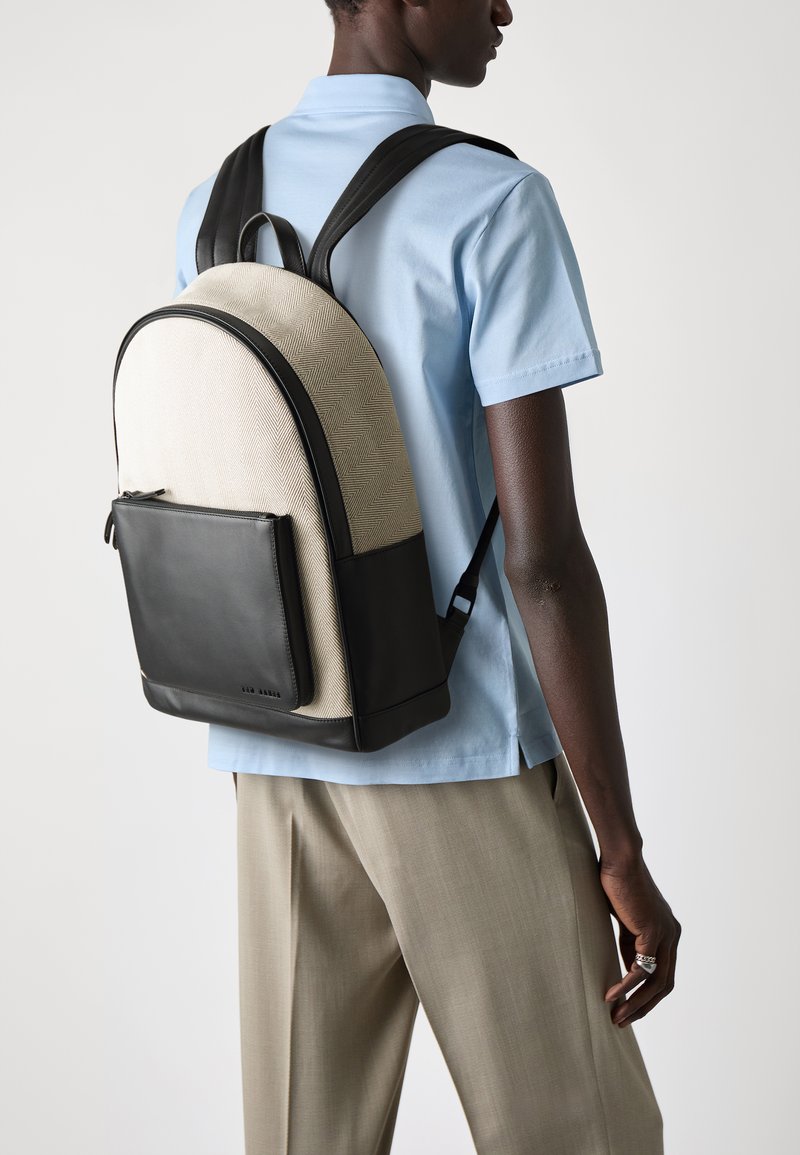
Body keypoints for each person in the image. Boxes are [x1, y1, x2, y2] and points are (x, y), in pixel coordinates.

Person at [172, 2, 680, 1151]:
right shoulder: (492, 203)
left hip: (277, 747)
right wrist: (619, 848)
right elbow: (542, 563)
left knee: (303, 1136)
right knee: (582, 1134)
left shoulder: (215, 204)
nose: (503, 9)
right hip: (461, 751)